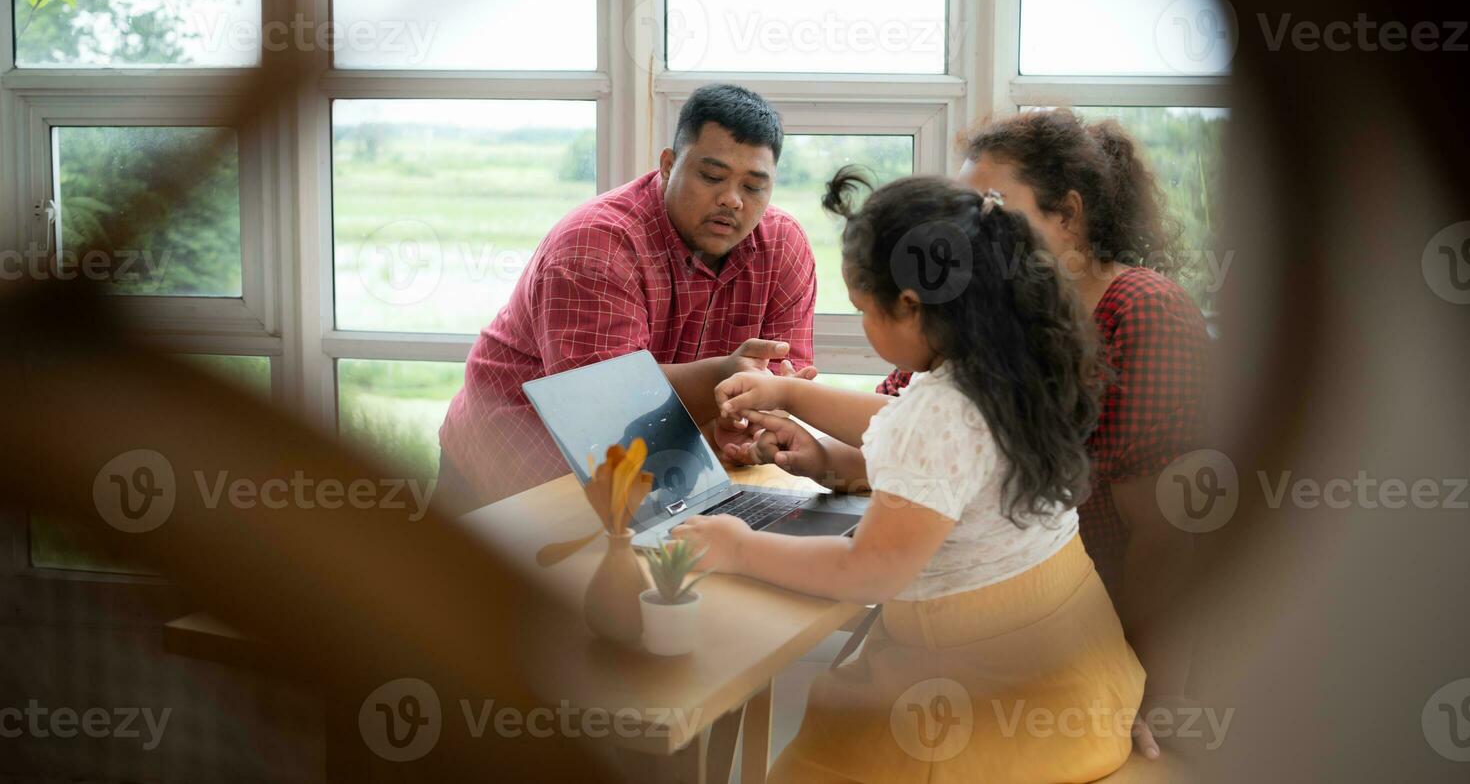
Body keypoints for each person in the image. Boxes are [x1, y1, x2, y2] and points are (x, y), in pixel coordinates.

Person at [735, 110, 1211, 759]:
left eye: (990, 204)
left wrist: (1150, 694)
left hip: (1042, 649)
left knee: (838, 727)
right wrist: (824, 458)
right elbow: (925, 448)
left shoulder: (1134, 311)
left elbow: (1170, 537)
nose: (969, 229)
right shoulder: (988, 333)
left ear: (1068, 214)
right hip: (1035, 640)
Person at [675, 169, 1144, 784]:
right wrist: (793, 400)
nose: (863, 324)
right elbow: (927, 441)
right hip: (1075, 677)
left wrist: (738, 547)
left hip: (981, 702)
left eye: (864, 310)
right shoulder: (1007, 371)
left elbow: (868, 570)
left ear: (911, 307)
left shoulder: (937, 412)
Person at [434, 84, 818, 516]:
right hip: (517, 465)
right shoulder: (595, 245)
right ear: (669, 166)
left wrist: (746, 423)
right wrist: (724, 384)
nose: (732, 199)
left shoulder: (783, 245)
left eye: (754, 186)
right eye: (712, 177)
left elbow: (785, 383)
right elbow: (601, 407)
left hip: (667, 471)